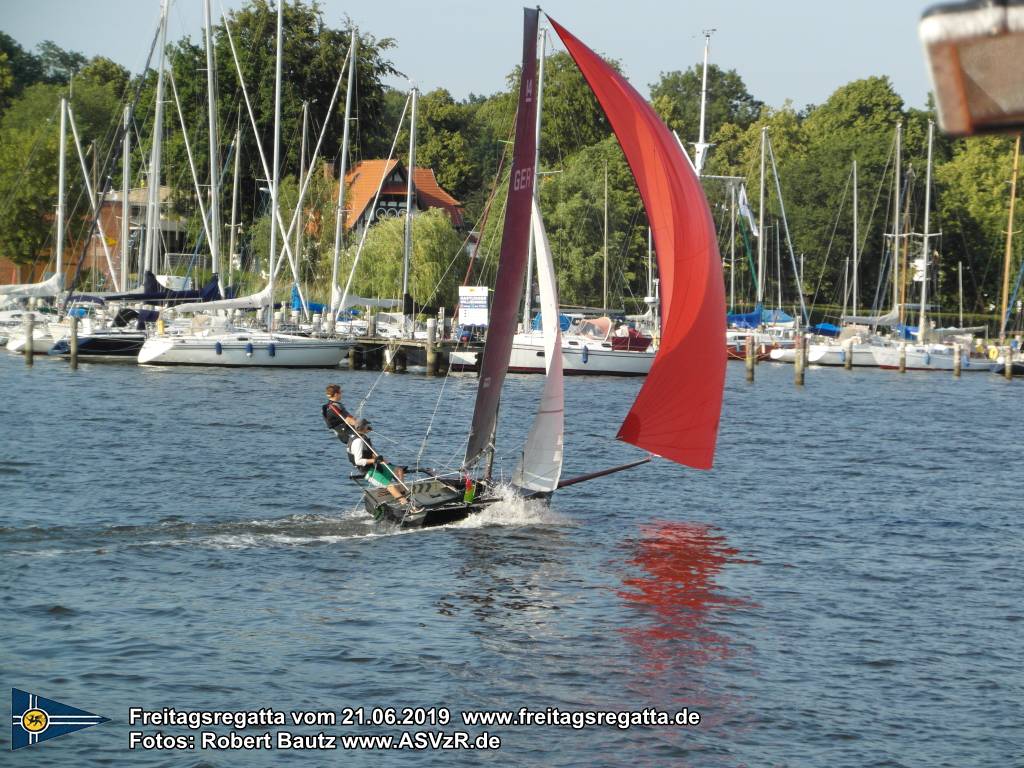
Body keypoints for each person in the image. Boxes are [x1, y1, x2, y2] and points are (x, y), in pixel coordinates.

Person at [348, 419, 410, 504]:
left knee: (399, 470)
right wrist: (374, 460)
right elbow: (358, 461)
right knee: (390, 485)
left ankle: (403, 493)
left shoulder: (363, 436)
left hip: (376, 466)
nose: (369, 427)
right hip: (369, 471)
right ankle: (405, 503)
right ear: (362, 428)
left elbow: (371, 453)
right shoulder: (358, 441)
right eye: (367, 426)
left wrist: (387, 463)